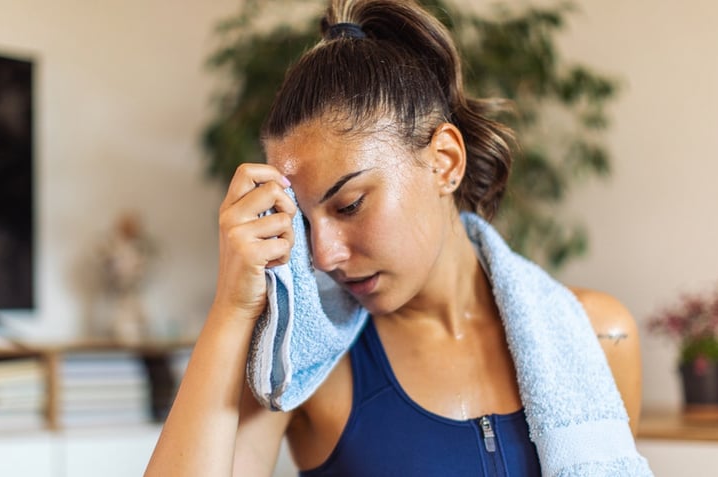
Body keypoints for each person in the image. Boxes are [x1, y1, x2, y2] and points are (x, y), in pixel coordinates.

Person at [146, 0, 642, 475]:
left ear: (444, 161)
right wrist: (231, 310)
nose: (323, 255)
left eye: (350, 205)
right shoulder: (300, 369)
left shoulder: (597, 337)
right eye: (304, 223)